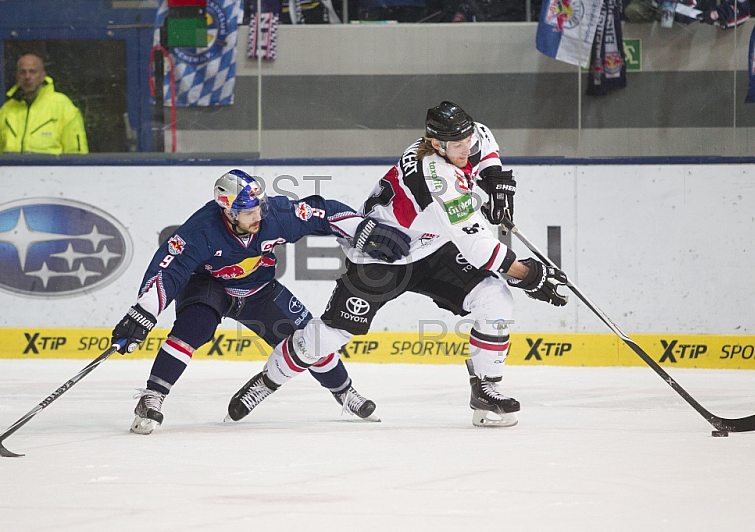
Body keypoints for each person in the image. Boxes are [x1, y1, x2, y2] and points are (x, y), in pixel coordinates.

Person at [226, 101, 569, 427]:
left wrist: (493, 177)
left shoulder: (460, 141)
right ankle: (268, 381)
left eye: (468, 141)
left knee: (494, 298)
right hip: (383, 254)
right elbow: (479, 248)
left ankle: (485, 390)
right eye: (458, 145)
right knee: (333, 333)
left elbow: (484, 140)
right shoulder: (437, 178)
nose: (467, 149)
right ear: (435, 144)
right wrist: (530, 276)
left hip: (430, 248)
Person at [111, 169, 410, 434]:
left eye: (259, 208)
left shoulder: (274, 215)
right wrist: (143, 313)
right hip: (209, 286)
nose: (257, 216)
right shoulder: (200, 230)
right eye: (248, 212)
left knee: (311, 339)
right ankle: (152, 396)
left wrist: (361, 228)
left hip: (259, 288)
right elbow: (169, 270)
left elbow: (322, 213)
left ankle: (345, 393)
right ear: (227, 212)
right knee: (194, 327)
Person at [0, 53, 88, 155]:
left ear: (43, 75)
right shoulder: (7, 110)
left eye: (33, 72)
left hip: (51, 170)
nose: (27, 77)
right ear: (17, 76)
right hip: (10, 171)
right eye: (23, 72)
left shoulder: (62, 106)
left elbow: (77, 155)